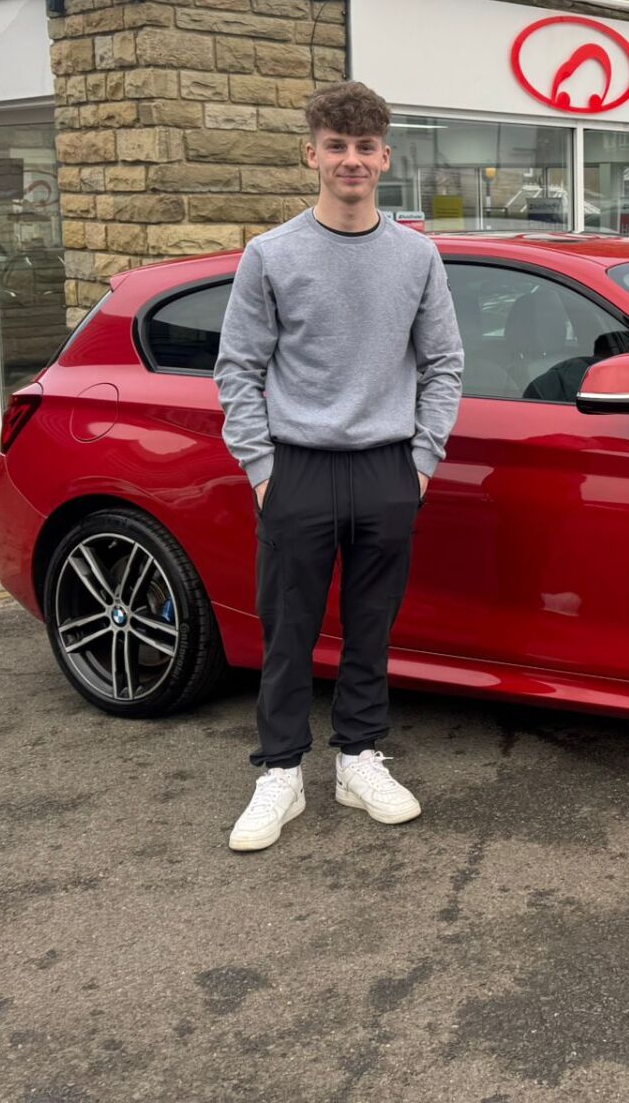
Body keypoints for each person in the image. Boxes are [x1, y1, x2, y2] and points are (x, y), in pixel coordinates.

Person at [214, 81, 464, 852]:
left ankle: (359, 758)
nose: (349, 160)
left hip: (387, 470)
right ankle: (280, 772)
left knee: (371, 628)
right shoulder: (271, 255)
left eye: (363, 148)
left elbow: (445, 364)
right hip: (297, 469)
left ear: (384, 158)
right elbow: (237, 368)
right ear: (311, 154)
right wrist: (262, 469)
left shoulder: (417, 255)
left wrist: (421, 461)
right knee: (287, 631)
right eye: (335, 146)